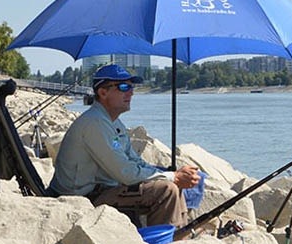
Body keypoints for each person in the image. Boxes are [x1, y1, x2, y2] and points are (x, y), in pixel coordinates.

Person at [47, 64, 201, 228]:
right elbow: (126, 173)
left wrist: (170, 174)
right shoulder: (94, 123)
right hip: (82, 197)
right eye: (123, 87)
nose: (131, 92)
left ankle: (178, 231)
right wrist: (173, 177)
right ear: (103, 92)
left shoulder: (112, 122)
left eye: (131, 87)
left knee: (176, 180)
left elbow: (134, 161)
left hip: (103, 188)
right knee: (166, 189)